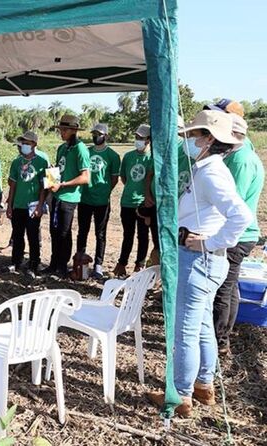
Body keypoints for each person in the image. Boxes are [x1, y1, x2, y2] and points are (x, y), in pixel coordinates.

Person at [148, 110, 252, 416]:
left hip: (198, 259)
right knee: (203, 325)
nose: (189, 140)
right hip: (202, 260)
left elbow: (241, 217)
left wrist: (209, 242)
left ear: (208, 139)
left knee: (186, 331)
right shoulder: (207, 168)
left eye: (193, 135)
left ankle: (181, 395)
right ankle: (203, 386)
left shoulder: (209, 173)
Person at [212, 114, 265, 355]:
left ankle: (218, 340)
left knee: (223, 287)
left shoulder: (242, 161)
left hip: (238, 235)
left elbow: (235, 204)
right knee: (230, 286)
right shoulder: (238, 156)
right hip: (240, 233)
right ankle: (224, 335)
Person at [43, 114, 90, 277]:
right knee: (54, 231)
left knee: (64, 232)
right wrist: (51, 179)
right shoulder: (62, 148)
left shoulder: (81, 149)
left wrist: (63, 184)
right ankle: (53, 263)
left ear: (74, 130)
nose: (61, 132)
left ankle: (63, 266)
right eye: (60, 129)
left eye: (65, 130)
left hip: (69, 198)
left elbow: (85, 177)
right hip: (56, 196)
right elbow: (59, 170)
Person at [76, 123, 120, 279]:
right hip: (85, 199)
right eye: (94, 133)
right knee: (82, 231)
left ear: (106, 136)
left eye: (99, 134)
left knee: (100, 234)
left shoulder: (113, 156)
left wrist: (105, 191)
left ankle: (98, 265)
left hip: (102, 201)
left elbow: (114, 179)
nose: (96, 136)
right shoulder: (86, 152)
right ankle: (79, 260)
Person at [5, 131, 48, 278]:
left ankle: (34, 264)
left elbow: (44, 187)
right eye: (23, 143)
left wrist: (40, 206)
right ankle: (16, 262)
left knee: (33, 236)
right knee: (17, 235)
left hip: (33, 206)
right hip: (18, 204)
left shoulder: (42, 162)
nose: (24, 146)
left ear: (34, 145)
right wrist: (10, 205)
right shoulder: (16, 162)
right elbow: (13, 186)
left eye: (27, 143)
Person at [113, 124, 153, 277]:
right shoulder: (129, 157)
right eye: (136, 138)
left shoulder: (151, 158)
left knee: (143, 235)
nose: (138, 141)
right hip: (127, 202)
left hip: (143, 203)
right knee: (127, 235)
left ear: (148, 140)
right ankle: (122, 263)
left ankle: (139, 264)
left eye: (141, 138)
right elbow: (124, 177)